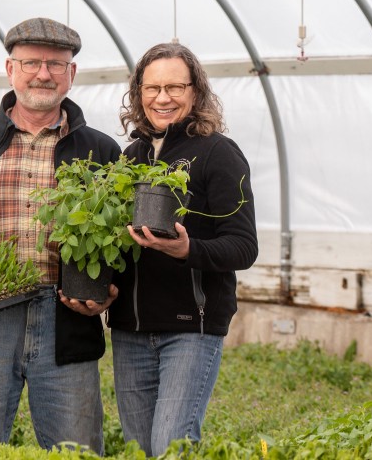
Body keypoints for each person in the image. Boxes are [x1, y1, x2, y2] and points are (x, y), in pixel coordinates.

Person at [0, 17, 119, 454]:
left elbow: (119, 242)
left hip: (67, 318)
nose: (43, 73)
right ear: (11, 70)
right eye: (31, 62)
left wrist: (108, 291)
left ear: (72, 74)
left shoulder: (100, 150)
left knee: (77, 447)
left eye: (56, 63)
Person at [107, 42, 258, 457]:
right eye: (152, 87)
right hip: (130, 330)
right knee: (140, 448)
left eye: (175, 86)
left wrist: (188, 251)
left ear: (195, 91)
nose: (163, 97)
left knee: (171, 446)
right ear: (139, 93)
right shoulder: (131, 157)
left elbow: (244, 246)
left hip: (191, 327)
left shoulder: (218, 153)